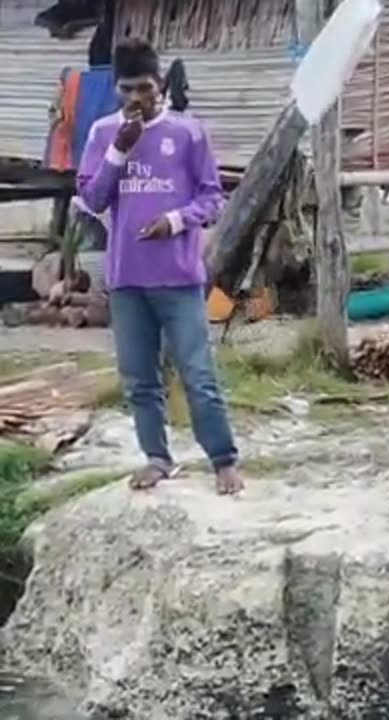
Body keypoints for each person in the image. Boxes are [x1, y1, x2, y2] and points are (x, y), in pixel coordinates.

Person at [77, 38, 244, 495]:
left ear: (161, 85)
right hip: (127, 278)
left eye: (145, 89)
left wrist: (175, 221)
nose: (136, 99)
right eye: (127, 90)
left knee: (198, 374)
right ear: (116, 89)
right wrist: (119, 152)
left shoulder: (188, 132)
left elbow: (212, 197)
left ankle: (223, 460)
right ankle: (157, 458)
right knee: (138, 379)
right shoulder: (102, 134)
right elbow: (91, 198)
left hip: (179, 276)